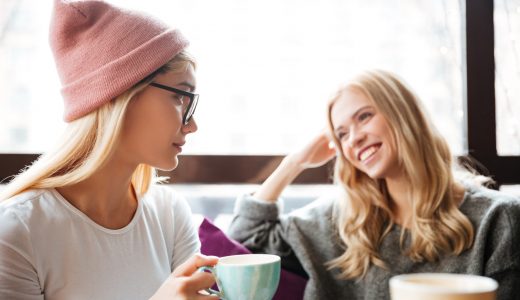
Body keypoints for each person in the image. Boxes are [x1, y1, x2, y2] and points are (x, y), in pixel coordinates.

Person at [228, 69, 520, 299]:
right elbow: (244, 241)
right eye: (341, 134)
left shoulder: (497, 219)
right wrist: (294, 164)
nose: (353, 138)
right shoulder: (340, 223)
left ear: (403, 113)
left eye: (364, 117)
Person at [0, 1, 218, 299]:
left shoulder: (169, 214)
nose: (191, 125)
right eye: (182, 97)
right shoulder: (16, 231)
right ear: (122, 96)